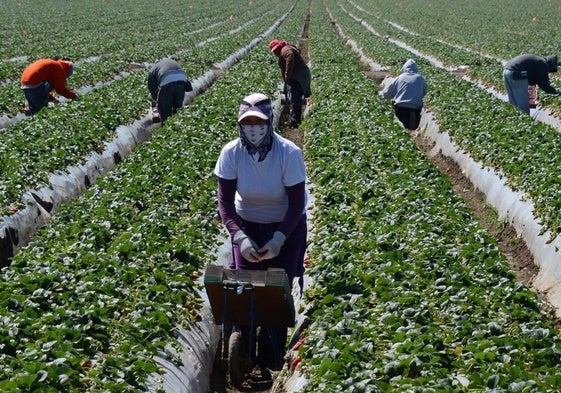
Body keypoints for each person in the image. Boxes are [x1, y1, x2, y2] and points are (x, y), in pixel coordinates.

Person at [214, 92, 307, 370]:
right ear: (240, 124)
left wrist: (279, 239)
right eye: (248, 122)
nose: (253, 128)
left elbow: (296, 204)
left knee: (276, 291)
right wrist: (240, 237)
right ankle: (242, 338)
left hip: (285, 228)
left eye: (259, 122)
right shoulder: (231, 153)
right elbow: (225, 203)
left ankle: (273, 347)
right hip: (247, 225)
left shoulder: (288, 153)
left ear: (270, 122)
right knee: (243, 288)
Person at [269, 39, 312, 128]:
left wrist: (287, 75)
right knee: (295, 97)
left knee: (296, 98)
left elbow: (290, 56)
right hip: (299, 76)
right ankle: (295, 119)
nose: (275, 53)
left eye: (276, 50)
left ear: (279, 46)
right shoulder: (282, 54)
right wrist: (285, 79)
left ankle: (294, 121)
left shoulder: (285, 50)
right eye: (274, 51)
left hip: (300, 76)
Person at [382, 58, 428, 130]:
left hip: (401, 107)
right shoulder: (420, 78)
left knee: (400, 119)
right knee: (415, 116)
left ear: (404, 68)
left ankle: (402, 125)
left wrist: (384, 95)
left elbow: (387, 94)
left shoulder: (400, 78)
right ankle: (412, 122)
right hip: (416, 108)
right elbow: (424, 92)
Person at [147, 58, 193, 124]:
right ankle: (178, 124)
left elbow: (151, 85)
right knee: (178, 107)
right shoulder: (172, 62)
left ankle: (166, 126)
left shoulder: (154, 68)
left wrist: (155, 97)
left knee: (165, 109)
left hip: (167, 81)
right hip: (181, 80)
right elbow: (184, 78)